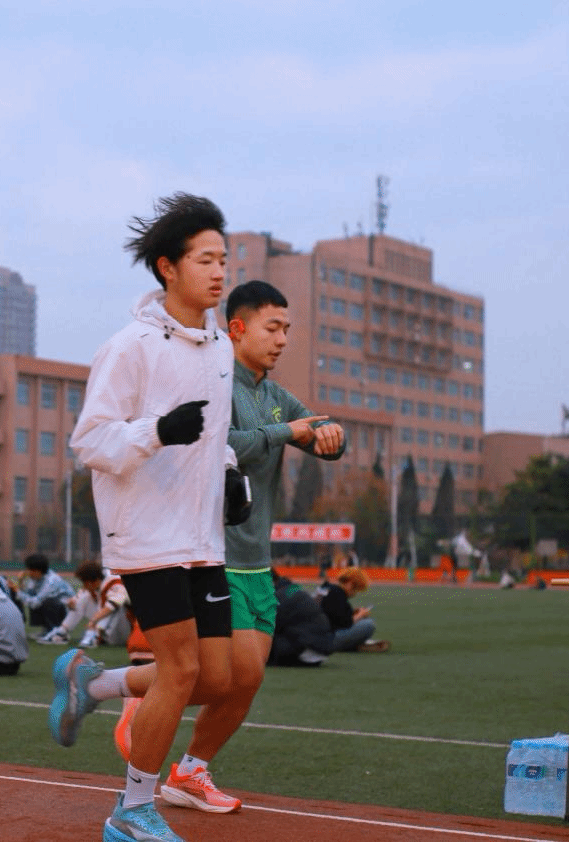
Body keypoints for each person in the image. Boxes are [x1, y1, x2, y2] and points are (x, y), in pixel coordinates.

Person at [49, 193, 240, 842]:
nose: (219, 272)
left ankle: (94, 683)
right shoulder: (128, 348)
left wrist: (230, 472)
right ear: (168, 267)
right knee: (180, 670)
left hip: (202, 537)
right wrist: (156, 431)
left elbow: (214, 435)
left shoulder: (221, 348)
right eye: (205, 260)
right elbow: (90, 441)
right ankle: (131, 812)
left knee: (215, 679)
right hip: (146, 534)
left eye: (223, 259)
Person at [114, 279, 345, 809]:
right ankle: (113, 692)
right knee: (220, 677)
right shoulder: (215, 379)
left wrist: (332, 436)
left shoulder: (273, 396)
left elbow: (318, 430)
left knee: (243, 683)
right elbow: (215, 442)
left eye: (287, 329)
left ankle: (190, 771)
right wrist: (288, 433)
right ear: (237, 328)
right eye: (272, 327)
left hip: (257, 564)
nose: (282, 339)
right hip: (212, 556)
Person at [38, 561, 132, 647]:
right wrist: (73, 601)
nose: (84, 586)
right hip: (113, 627)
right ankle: (62, 632)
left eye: (85, 583)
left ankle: (96, 635)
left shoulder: (116, 582)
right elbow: (82, 594)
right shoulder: (100, 578)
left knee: (114, 606)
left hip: (126, 628)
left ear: (94, 581)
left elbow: (113, 605)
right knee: (83, 596)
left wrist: (93, 621)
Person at [267, 569, 335, 666]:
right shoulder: (291, 590)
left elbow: (267, 628)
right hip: (319, 647)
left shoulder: (279, 597)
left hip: (307, 649)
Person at [315, 568, 389, 652]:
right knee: (369, 624)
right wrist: (361, 614)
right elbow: (346, 623)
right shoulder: (338, 594)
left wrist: (353, 612)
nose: (354, 594)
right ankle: (351, 646)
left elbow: (332, 614)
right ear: (350, 584)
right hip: (325, 639)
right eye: (356, 590)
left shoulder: (326, 588)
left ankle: (351, 644)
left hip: (313, 635)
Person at [18, 553, 75, 634]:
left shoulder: (51, 581)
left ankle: (56, 631)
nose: (27, 572)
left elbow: (35, 603)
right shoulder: (35, 578)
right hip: (57, 607)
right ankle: (47, 630)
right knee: (33, 597)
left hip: (68, 612)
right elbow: (28, 596)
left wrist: (17, 592)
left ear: (37, 570)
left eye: (29, 569)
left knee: (48, 602)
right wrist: (21, 582)